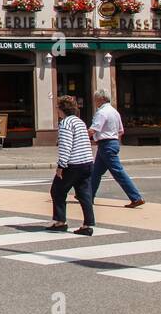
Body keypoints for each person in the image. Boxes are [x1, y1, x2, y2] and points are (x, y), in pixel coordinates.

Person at [89, 90, 144, 208]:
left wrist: (80, 137)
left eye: (96, 99)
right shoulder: (114, 112)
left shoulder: (102, 112)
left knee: (118, 172)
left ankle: (136, 197)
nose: (95, 101)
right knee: (95, 172)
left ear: (102, 99)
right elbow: (121, 131)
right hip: (112, 142)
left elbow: (94, 129)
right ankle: (88, 195)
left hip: (106, 145)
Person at [49, 95, 95, 235]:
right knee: (84, 193)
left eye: (57, 107)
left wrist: (61, 166)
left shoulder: (65, 123)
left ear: (62, 109)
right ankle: (88, 224)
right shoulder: (80, 122)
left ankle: (60, 221)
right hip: (87, 162)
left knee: (57, 190)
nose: (56, 110)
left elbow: (66, 145)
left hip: (73, 164)